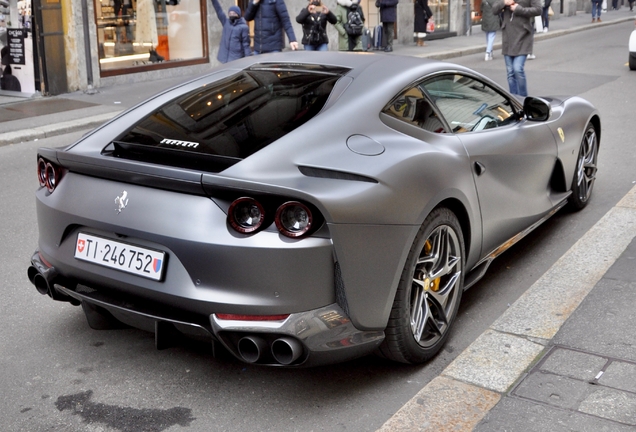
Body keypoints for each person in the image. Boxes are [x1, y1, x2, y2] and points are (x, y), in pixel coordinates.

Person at [492, 0, 542, 96]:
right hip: (508, 37)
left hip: (523, 36)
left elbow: (538, 10)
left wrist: (519, 9)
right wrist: (504, 3)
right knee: (510, 72)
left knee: (517, 69)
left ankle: (523, 99)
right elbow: (494, 10)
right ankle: (513, 99)